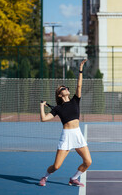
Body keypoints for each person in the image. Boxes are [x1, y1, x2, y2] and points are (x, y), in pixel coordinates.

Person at [39, 59, 92, 187]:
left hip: (77, 134)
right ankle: (45, 177)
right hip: (66, 136)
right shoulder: (57, 108)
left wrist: (80, 69)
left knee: (88, 162)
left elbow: (79, 85)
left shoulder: (75, 100)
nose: (66, 88)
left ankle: (73, 178)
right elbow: (44, 119)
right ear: (59, 93)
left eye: (66, 87)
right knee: (56, 166)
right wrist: (41, 106)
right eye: (63, 88)